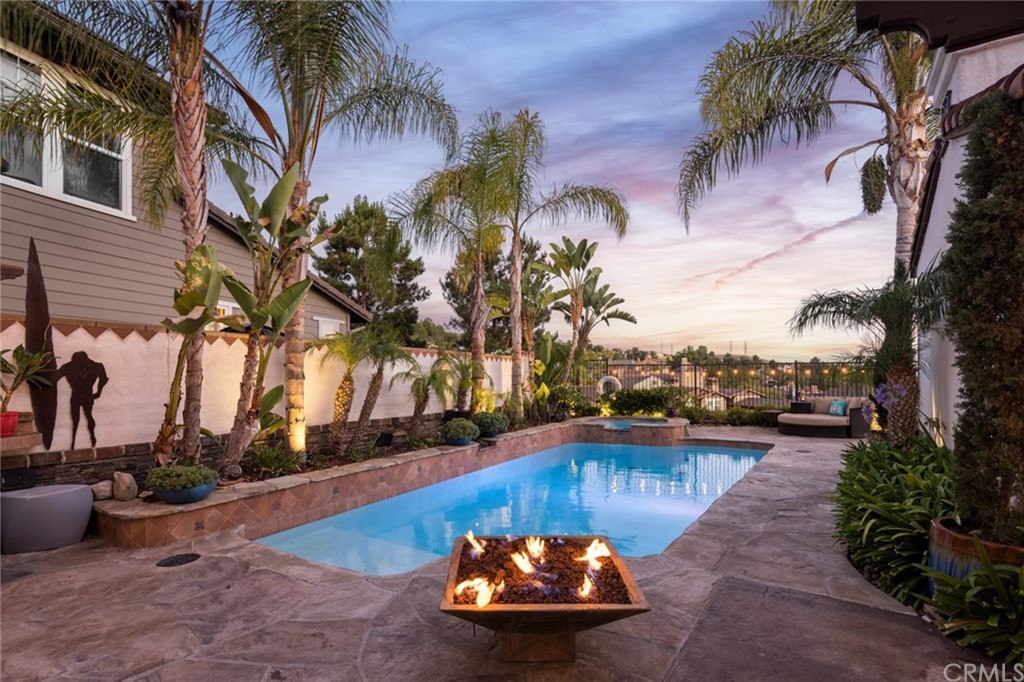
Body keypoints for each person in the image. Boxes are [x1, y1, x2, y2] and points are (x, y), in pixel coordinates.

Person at [54, 352, 109, 449]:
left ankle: (79, 440)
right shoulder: (96, 366)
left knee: (83, 417)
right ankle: (78, 440)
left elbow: (54, 378)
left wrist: (99, 392)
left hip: (80, 395)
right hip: (83, 395)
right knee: (83, 417)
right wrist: (98, 392)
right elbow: (103, 379)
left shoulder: (69, 367)